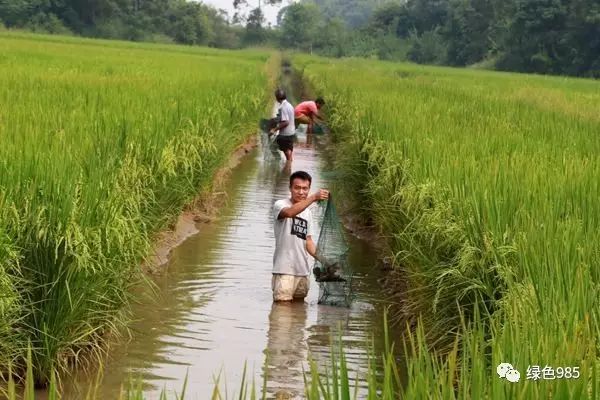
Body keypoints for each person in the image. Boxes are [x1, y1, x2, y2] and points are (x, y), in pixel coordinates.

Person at [272, 171, 329, 302]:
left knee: (299, 311)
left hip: (302, 271)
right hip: (284, 270)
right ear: (290, 188)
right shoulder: (280, 205)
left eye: (305, 188)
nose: (301, 192)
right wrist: (313, 197)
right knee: (282, 312)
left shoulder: (308, 213)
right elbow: (290, 212)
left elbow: (308, 242)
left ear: (309, 189)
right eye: (297, 188)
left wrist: (325, 260)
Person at [269, 88, 296, 161]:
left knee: (272, 147)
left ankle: (281, 163)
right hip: (292, 133)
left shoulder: (283, 107)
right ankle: (289, 163)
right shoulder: (289, 105)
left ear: (277, 98)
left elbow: (286, 122)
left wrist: (274, 130)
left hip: (285, 134)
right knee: (288, 150)